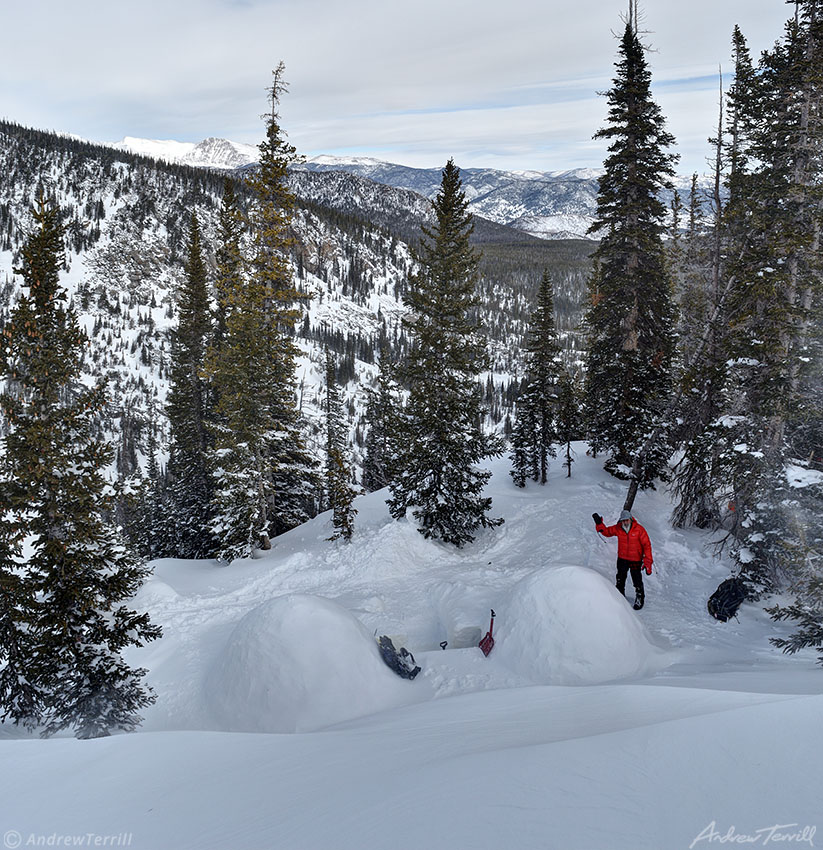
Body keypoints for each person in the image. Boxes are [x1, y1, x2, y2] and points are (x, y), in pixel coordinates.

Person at [592, 509, 653, 610]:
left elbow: (647, 545)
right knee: (620, 579)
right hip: (622, 558)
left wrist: (648, 560)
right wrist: (599, 524)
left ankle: (640, 598)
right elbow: (606, 532)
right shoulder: (618, 528)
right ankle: (619, 596)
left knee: (637, 580)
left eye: (626, 520)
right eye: (623, 521)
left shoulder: (639, 529)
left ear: (630, 519)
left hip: (635, 559)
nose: (625, 522)